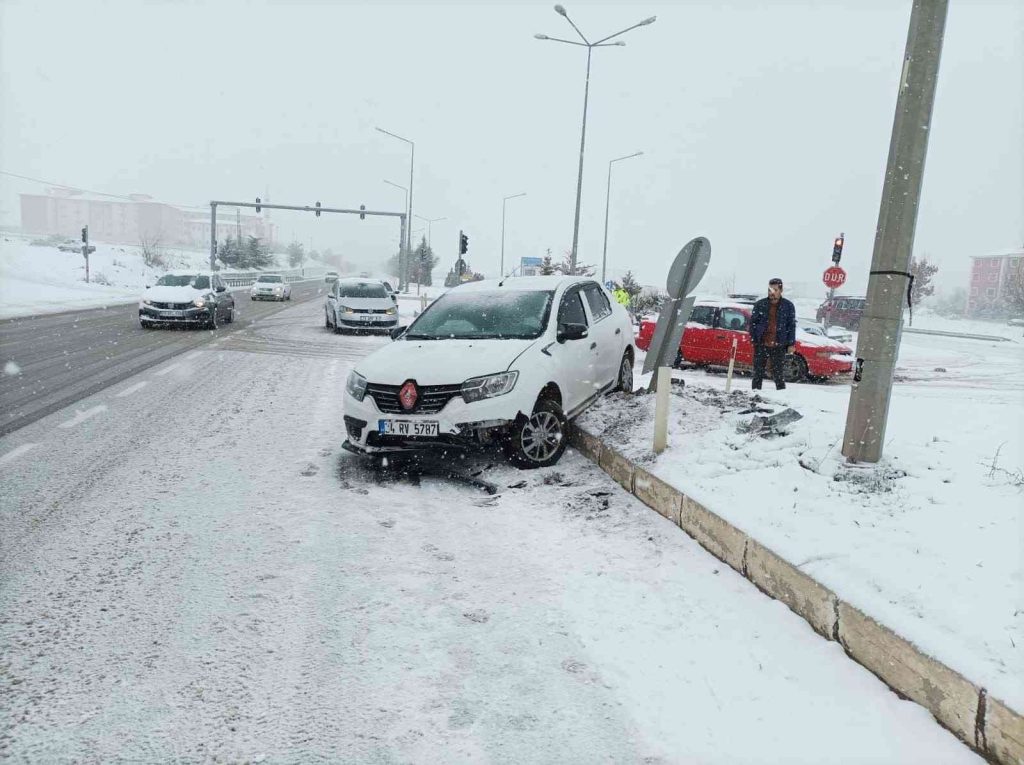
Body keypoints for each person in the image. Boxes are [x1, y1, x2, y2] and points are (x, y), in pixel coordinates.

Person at [749, 277, 797, 390]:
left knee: (778, 375)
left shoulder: (788, 306)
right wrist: (754, 337)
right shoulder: (760, 305)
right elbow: (753, 323)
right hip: (762, 344)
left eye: (775, 290)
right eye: (770, 290)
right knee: (757, 373)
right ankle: (755, 395)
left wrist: (791, 344)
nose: (772, 293)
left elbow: (791, 325)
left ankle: (781, 396)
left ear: (781, 291)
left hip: (778, 345)